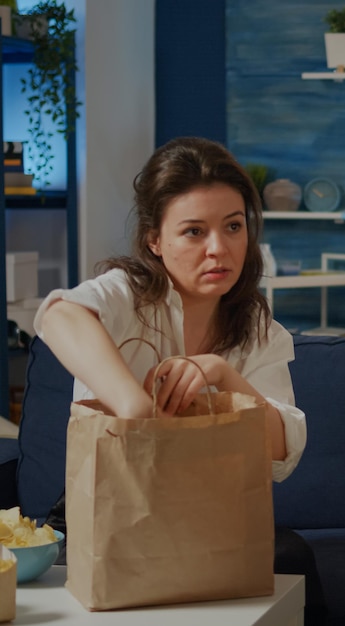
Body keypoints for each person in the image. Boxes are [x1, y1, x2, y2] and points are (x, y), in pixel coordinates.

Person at [34, 136, 326, 623]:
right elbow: (59, 315)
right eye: (194, 231)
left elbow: (281, 451)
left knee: (293, 558)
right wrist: (135, 408)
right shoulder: (125, 294)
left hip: (209, 509)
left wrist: (222, 372)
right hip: (109, 510)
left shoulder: (258, 330)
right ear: (155, 240)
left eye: (233, 226)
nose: (219, 248)